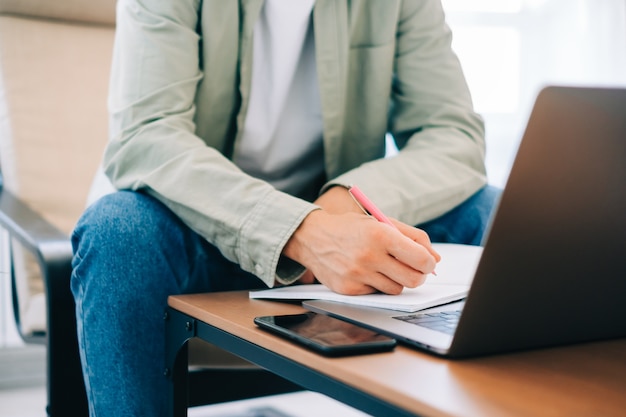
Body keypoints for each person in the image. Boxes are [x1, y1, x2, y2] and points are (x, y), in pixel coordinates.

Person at [71, 0, 500, 415]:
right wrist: (302, 232)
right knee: (117, 232)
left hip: (343, 243)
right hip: (201, 230)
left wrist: (343, 201)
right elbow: (145, 135)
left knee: (494, 214)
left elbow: (454, 135)